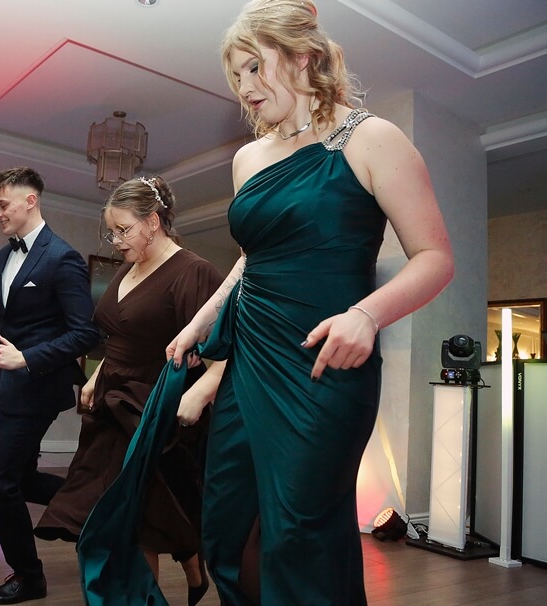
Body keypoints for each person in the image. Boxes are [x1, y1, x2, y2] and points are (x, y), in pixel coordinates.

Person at [162, 1, 456, 603]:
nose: (244, 88)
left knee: (299, 533)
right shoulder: (248, 159)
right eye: (235, 76)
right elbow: (251, 260)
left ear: (302, 57)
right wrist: (200, 322)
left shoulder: (372, 138)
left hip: (324, 368)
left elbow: (435, 258)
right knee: (227, 524)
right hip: (250, 362)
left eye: (254, 67)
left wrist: (367, 314)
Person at [35, 176, 224, 606]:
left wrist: (201, 394)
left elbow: (224, 352)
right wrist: (97, 375)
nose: (116, 240)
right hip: (111, 403)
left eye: (123, 230)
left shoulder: (193, 272)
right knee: (130, 512)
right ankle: (194, 569)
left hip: (151, 407)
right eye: (112, 232)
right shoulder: (128, 267)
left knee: (132, 520)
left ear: (153, 221)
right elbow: (123, 335)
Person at [0, 167, 100, 604]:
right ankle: (98, 512)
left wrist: (27, 357)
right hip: (7, 386)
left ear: (31, 201)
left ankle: (29, 577)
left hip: (38, 388)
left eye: (2, 205)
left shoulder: (62, 257)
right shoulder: (2, 257)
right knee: (19, 478)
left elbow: (85, 333)